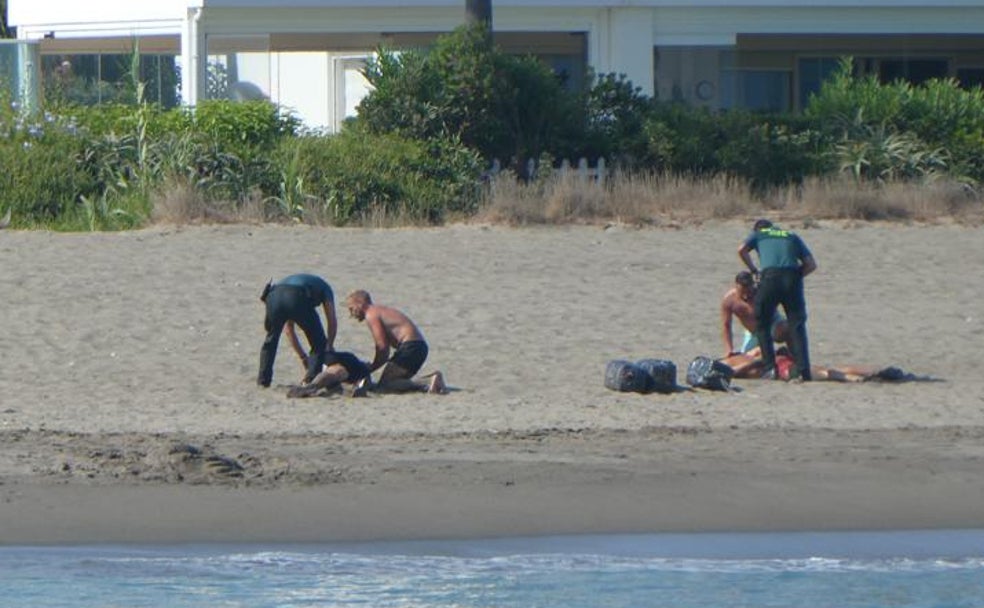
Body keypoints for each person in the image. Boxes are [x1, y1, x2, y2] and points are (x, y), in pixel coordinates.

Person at [738, 219, 817, 380]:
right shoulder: (791, 235)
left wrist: (754, 270)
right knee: (797, 325)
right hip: (792, 278)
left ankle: (770, 369)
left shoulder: (759, 234)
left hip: (770, 278)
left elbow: (741, 250)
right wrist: (795, 277)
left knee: (762, 323)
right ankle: (803, 371)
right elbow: (811, 265)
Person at [345, 289, 446, 394]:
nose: (351, 314)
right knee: (394, 381)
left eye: (351, 309)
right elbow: (385, 350)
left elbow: (382, 347)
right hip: (419, 347)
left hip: (411, 347)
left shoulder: (371, 314)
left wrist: (370, 368)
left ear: (360, 303)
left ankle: (428, 381)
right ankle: (430, 381)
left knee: (385, 385)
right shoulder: (380, 311)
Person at [257, 273, 338, 388]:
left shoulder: (291, 282)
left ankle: (263, 380)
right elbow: (332, 320)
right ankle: (310, 380)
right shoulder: (326, 288)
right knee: (318, 342)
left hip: (273, 295)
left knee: (271, 340)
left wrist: (303, 357)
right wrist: (329, 345)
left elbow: (289, 330)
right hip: (297, 295)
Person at [720, 271, 785, 357]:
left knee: (786, 329)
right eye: (742, 293)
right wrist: (729, 349)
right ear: (736, 287)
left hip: (772, 324)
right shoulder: (729, 301)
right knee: (746, 357)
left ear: (753, 285)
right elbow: (726, 325)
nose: (746, 296)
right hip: (753, 333)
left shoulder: (762, 292)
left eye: (749, 292)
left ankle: (792, 354)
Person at [286, 351, 371, 398]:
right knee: (337, 372)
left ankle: (312, 385)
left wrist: (302, 356)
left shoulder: (353, 359)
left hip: (325, 356)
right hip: (346, 365)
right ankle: (312, 386)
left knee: (332, 372)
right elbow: (364, 382)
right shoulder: (362, 369)